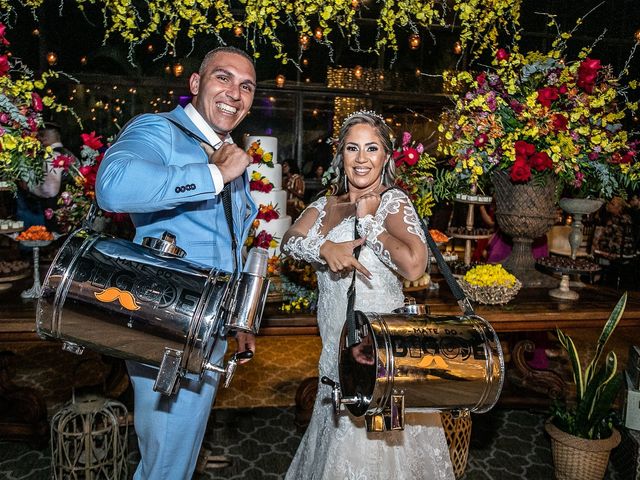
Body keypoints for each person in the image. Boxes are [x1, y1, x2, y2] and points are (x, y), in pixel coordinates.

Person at [95, 46, 258, 479]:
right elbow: (112, 185)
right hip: (166, 321)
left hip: (209, 324)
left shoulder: (227, 150)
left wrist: (237, 318)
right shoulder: (159, 129)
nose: (234, 93)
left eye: (246, 86)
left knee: (176, 459)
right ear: (195, 85)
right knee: (166, 463)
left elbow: (229, 242)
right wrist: (213, 175)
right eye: (223, 78)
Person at [282, 111, 455, 479]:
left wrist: (371, 222)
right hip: (333, 347)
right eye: (352, 148)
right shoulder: (326, 205)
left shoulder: (393, 202)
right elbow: (290, 240)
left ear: (386, 156)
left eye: (371, 148)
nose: (361, 159)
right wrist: (325, 248)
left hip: (377, 353)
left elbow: (414, 266)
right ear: (340, 155)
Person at [16, 123, 76, 230]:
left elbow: (49, 191)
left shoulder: (50, 156)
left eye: (39, 136)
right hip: (72, 213)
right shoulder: (71, 155)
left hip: (54, 213)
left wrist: (29, 187)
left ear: (44, 138)